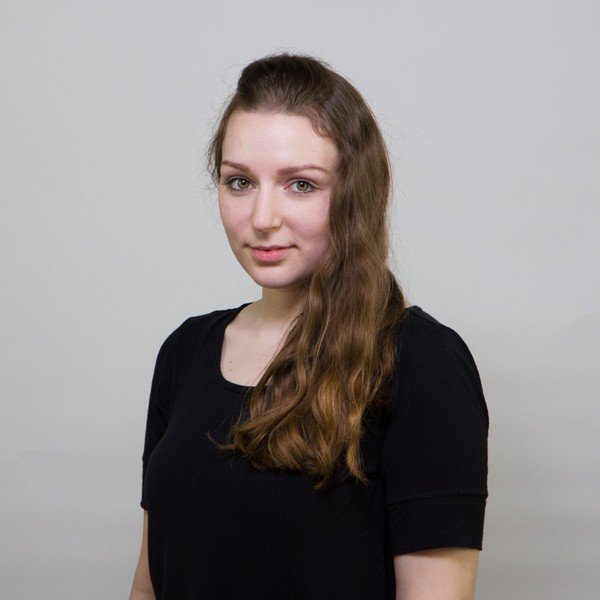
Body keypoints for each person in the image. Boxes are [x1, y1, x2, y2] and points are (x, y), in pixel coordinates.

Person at [128, 52, 489, 600]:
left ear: (355, 194)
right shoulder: (184, 352)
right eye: (239, 182)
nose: (262, 218)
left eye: (300, 185)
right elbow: (149, 583)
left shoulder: (421, 361)